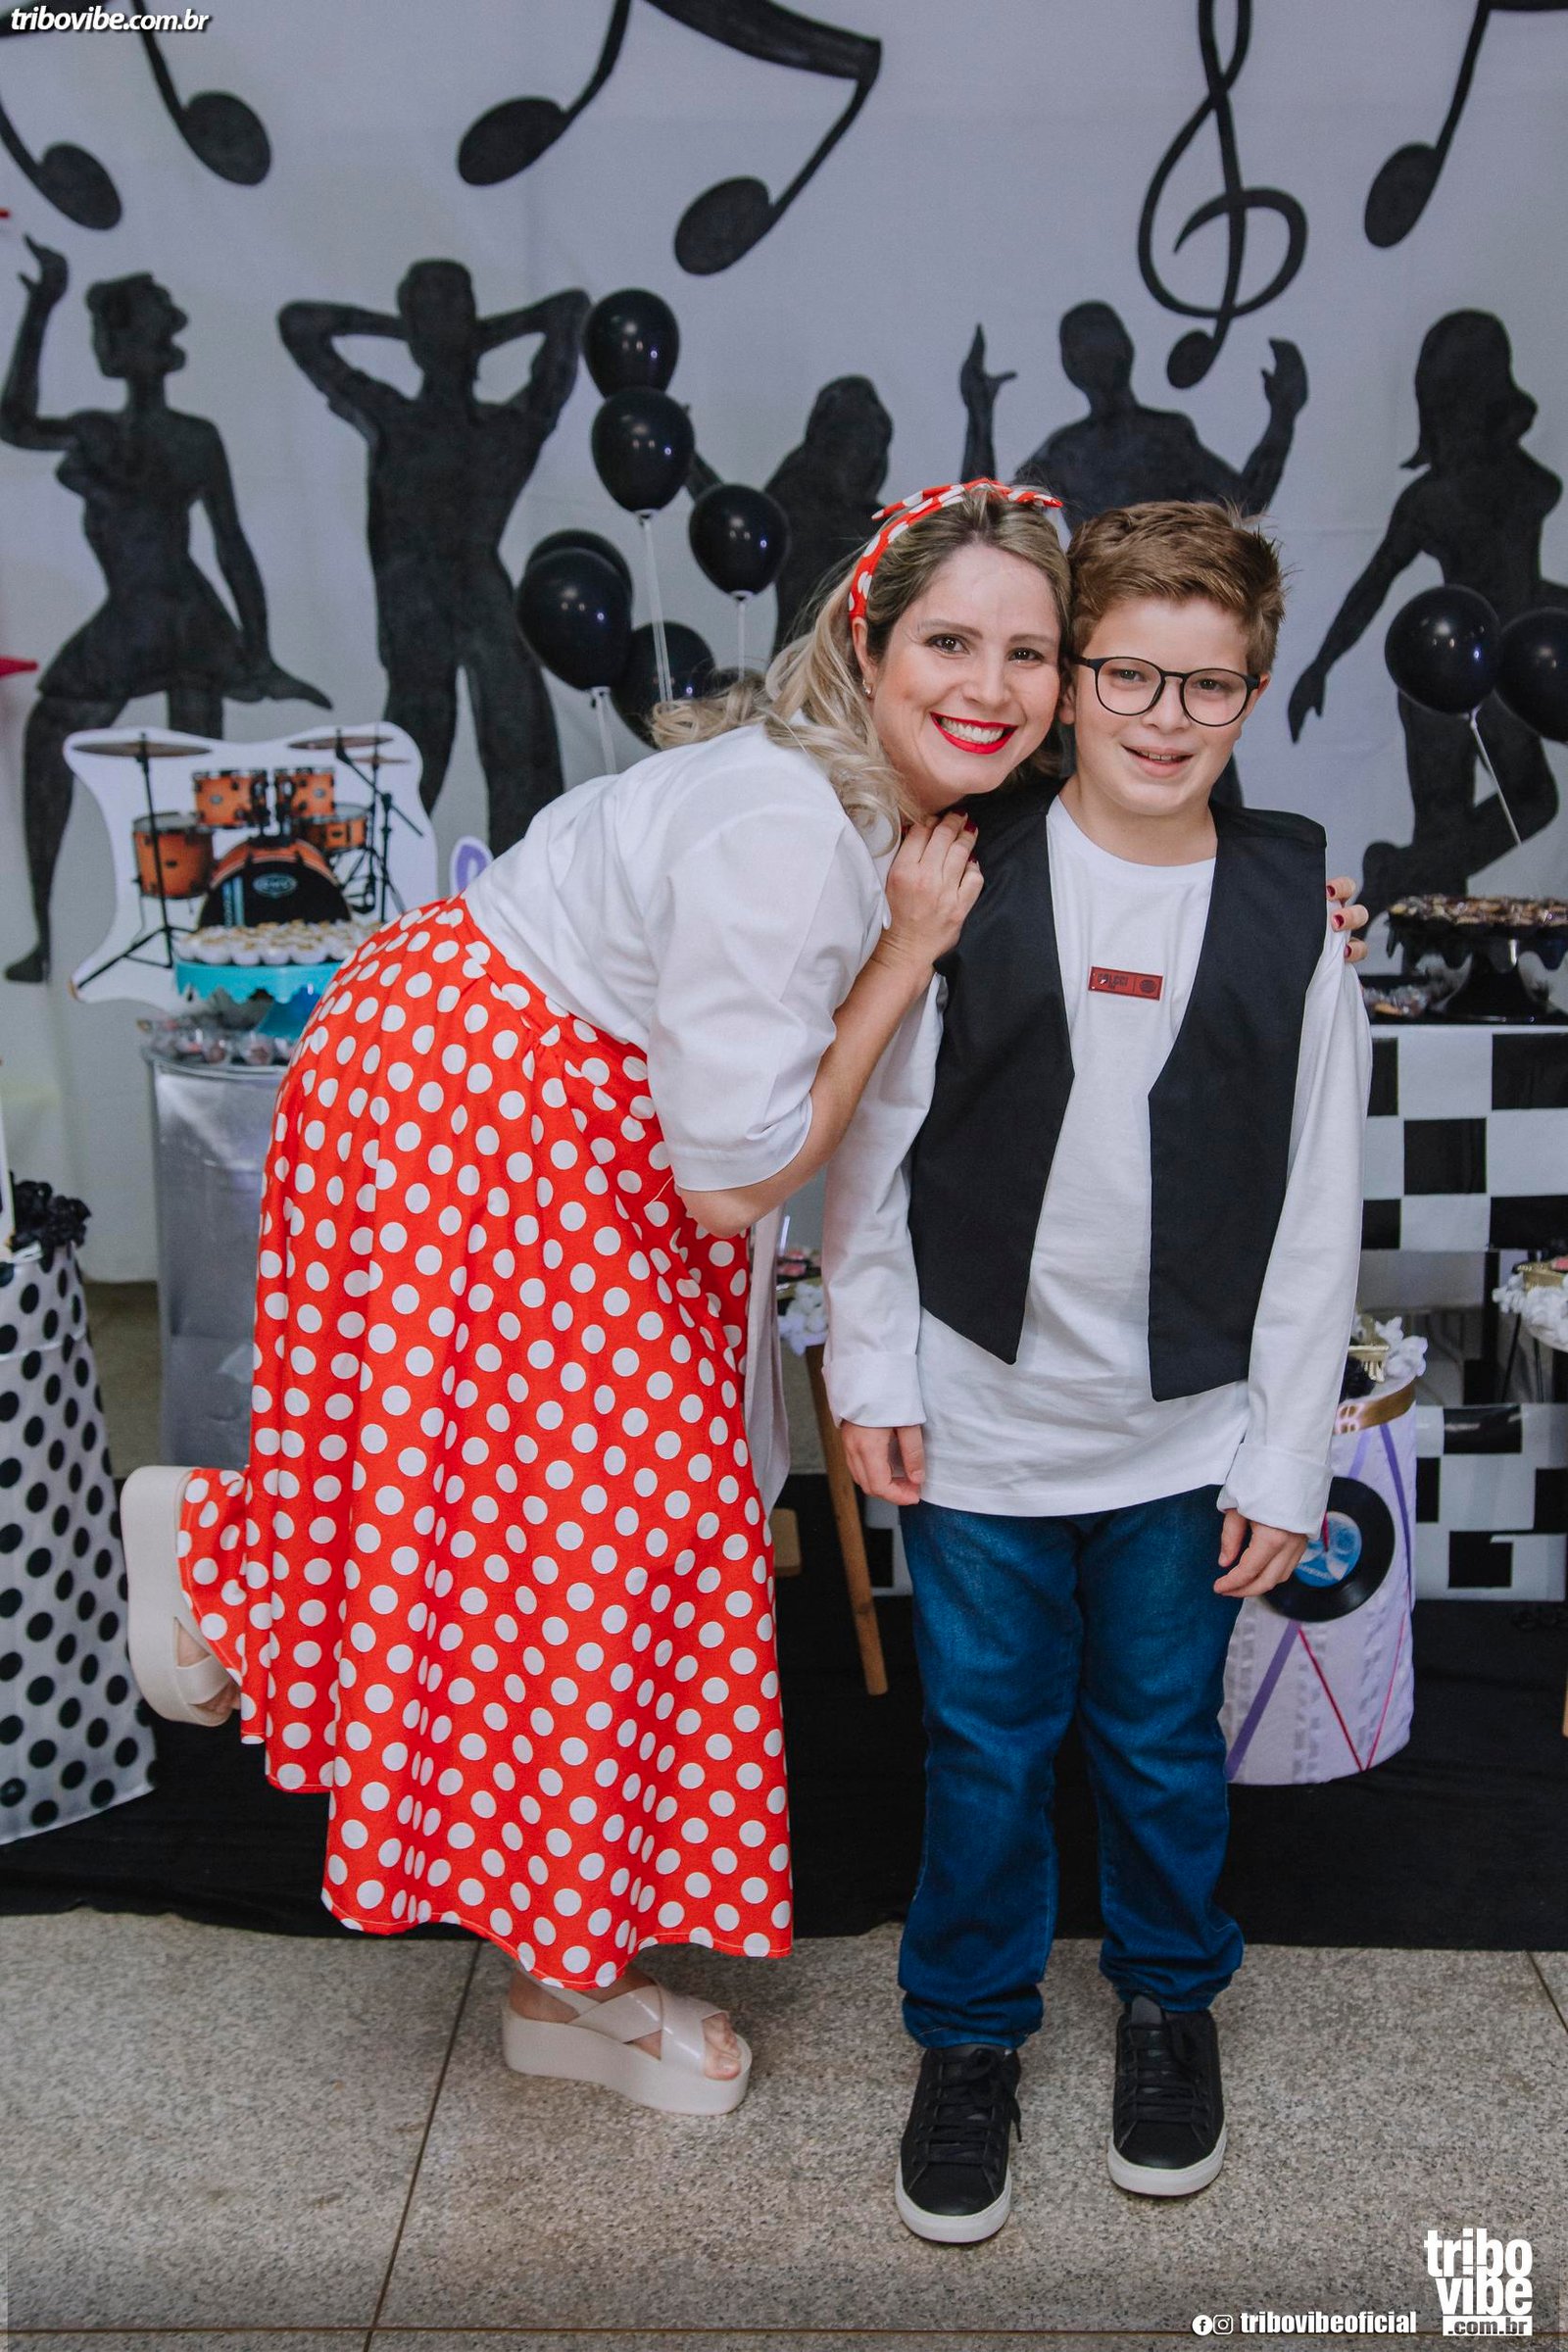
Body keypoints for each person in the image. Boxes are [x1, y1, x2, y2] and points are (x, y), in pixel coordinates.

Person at [120, 479, 1072, 2119]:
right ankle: (564, 1976)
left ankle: (240, 1576)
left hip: (512, 1090)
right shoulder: (797, 833)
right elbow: (739, 1177)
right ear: (867, 639)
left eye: (1029, 652)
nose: (990, 685)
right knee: (603, 1533)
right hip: (479, 1105)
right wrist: (906, 958)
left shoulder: (860, 806)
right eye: (950, 641)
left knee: (576, 1521)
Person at [821, 500, 1371, 2241]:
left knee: (1158, 1741)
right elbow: (875, 1148)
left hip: (1185, 1437)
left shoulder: (1295, 914)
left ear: (1253, 692)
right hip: (981, 1416)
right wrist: (872, 1368)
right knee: (986, 1745)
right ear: (1069, 685)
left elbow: (1318, 1213)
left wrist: (1287, 1456)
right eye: (1127, 673)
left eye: (1207, 685)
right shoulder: (959, 869)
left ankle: (1167, 2004)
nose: (1163, 715)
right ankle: (970, 2032)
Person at [0, 240, 327, 984]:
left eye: (110, 333)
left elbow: (232, 545)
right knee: (165, 776)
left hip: (164, 619)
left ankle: (181, 938)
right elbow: (14, 423)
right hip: (170, 620)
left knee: (183, 784)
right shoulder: (117, 433)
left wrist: (259, 649)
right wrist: (41, 304)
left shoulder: (164, 437)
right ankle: (72, 936)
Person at [278, 262, 590, 852]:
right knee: (412, 758)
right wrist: (425, 333)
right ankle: (377, 885)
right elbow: (300, 326)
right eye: (430, 310)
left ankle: (523, 891)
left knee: (521, 757)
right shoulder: (394, 419)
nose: (447, 320)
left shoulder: (504, 428)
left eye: (457, 307)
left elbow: (570, 311)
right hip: (417, 607)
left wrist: (459, 334)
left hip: (482, 600)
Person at [1288, 310, 1564, 913]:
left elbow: (1378, 585)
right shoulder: (1507, 486)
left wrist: (1321, 666)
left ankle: (1402, 878)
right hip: (1470, 671)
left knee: (1478, 819)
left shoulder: (1448, 495)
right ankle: (1413, 892)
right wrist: (1321, 664)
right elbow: (1376, 585)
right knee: (1514, 806)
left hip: (1456, 672)